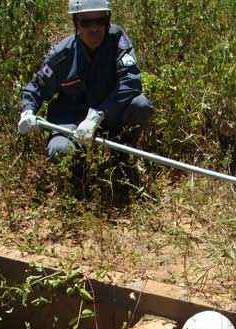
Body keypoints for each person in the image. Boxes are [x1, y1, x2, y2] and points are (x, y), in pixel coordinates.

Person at [17, 0, 153, 194]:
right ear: (76, 24)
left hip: (108, 114)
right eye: (86, 23)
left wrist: (98, 114)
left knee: (141, 105)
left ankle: (121, 159)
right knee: (60, 150)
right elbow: (35, 88)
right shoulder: (62, 54)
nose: (94, 29)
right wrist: (28, 110)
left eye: (100, 21)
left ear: (108, 21)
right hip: (70, 119)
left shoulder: (117, 40)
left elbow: (131, 82)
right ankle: (78, 179)